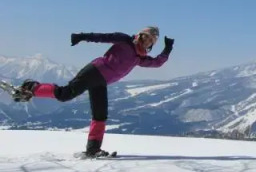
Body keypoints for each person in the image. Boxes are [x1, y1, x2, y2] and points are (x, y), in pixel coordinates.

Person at [14, 26, 174, 157]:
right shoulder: (124, 40)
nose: (147, 41)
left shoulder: (140, 58)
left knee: (100, 115)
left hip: (102, 82)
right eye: (146, 36)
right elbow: (102, 37)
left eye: (151, 41)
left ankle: (93, 149)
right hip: (94, 72)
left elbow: (157, 63)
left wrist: (167, 49)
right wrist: (82, 36)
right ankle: (32, 88)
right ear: (140, 35)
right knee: (65, 94)